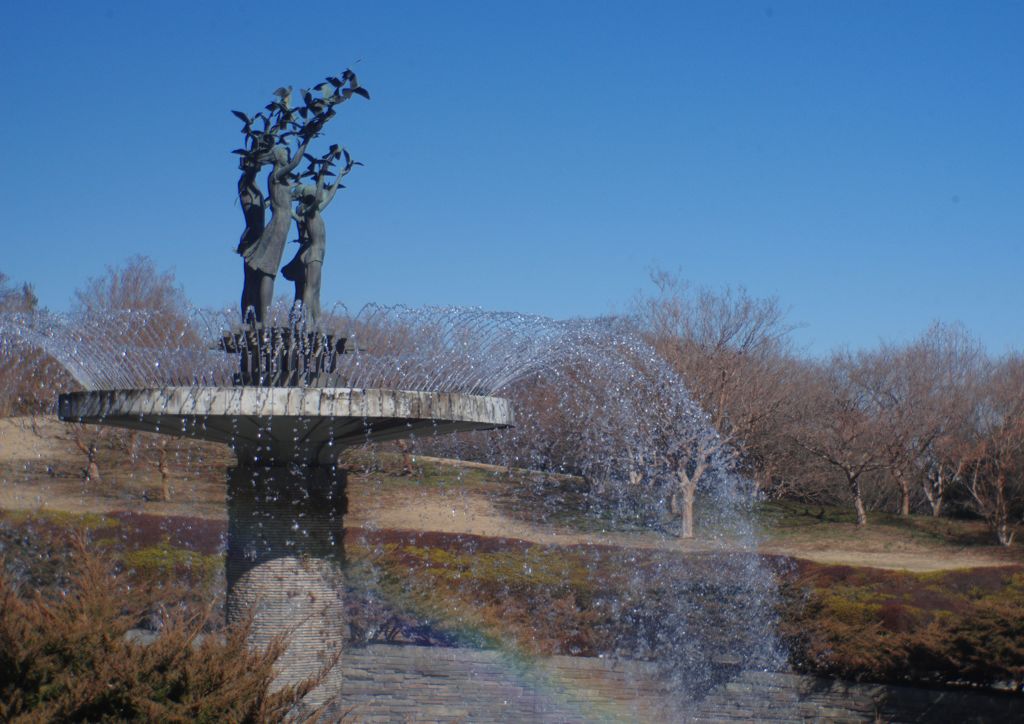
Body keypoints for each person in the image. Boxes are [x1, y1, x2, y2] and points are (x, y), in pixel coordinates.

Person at [239, 137, 309, 323]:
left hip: (282, 226)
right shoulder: (276, 175)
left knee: (269, 271)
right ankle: (264, 320)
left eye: (287, 152)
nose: (287, 155)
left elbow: (291, 199)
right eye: (284, 153)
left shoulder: (282, 180)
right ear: (277, 157)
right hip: (277, 226)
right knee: (268, 271)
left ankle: (263, 318)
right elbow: (295, 162)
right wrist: (306, 139)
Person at [281, 160, 346, 328]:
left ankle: (315, 322)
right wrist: (322, 174)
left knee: (314, 290)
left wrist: (339, 176)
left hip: (312, 253)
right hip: (315, 254)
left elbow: (329, 196)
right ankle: (305, 322)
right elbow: (320, 197)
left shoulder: (311, 213)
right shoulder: (310, 213)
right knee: (311, 288)